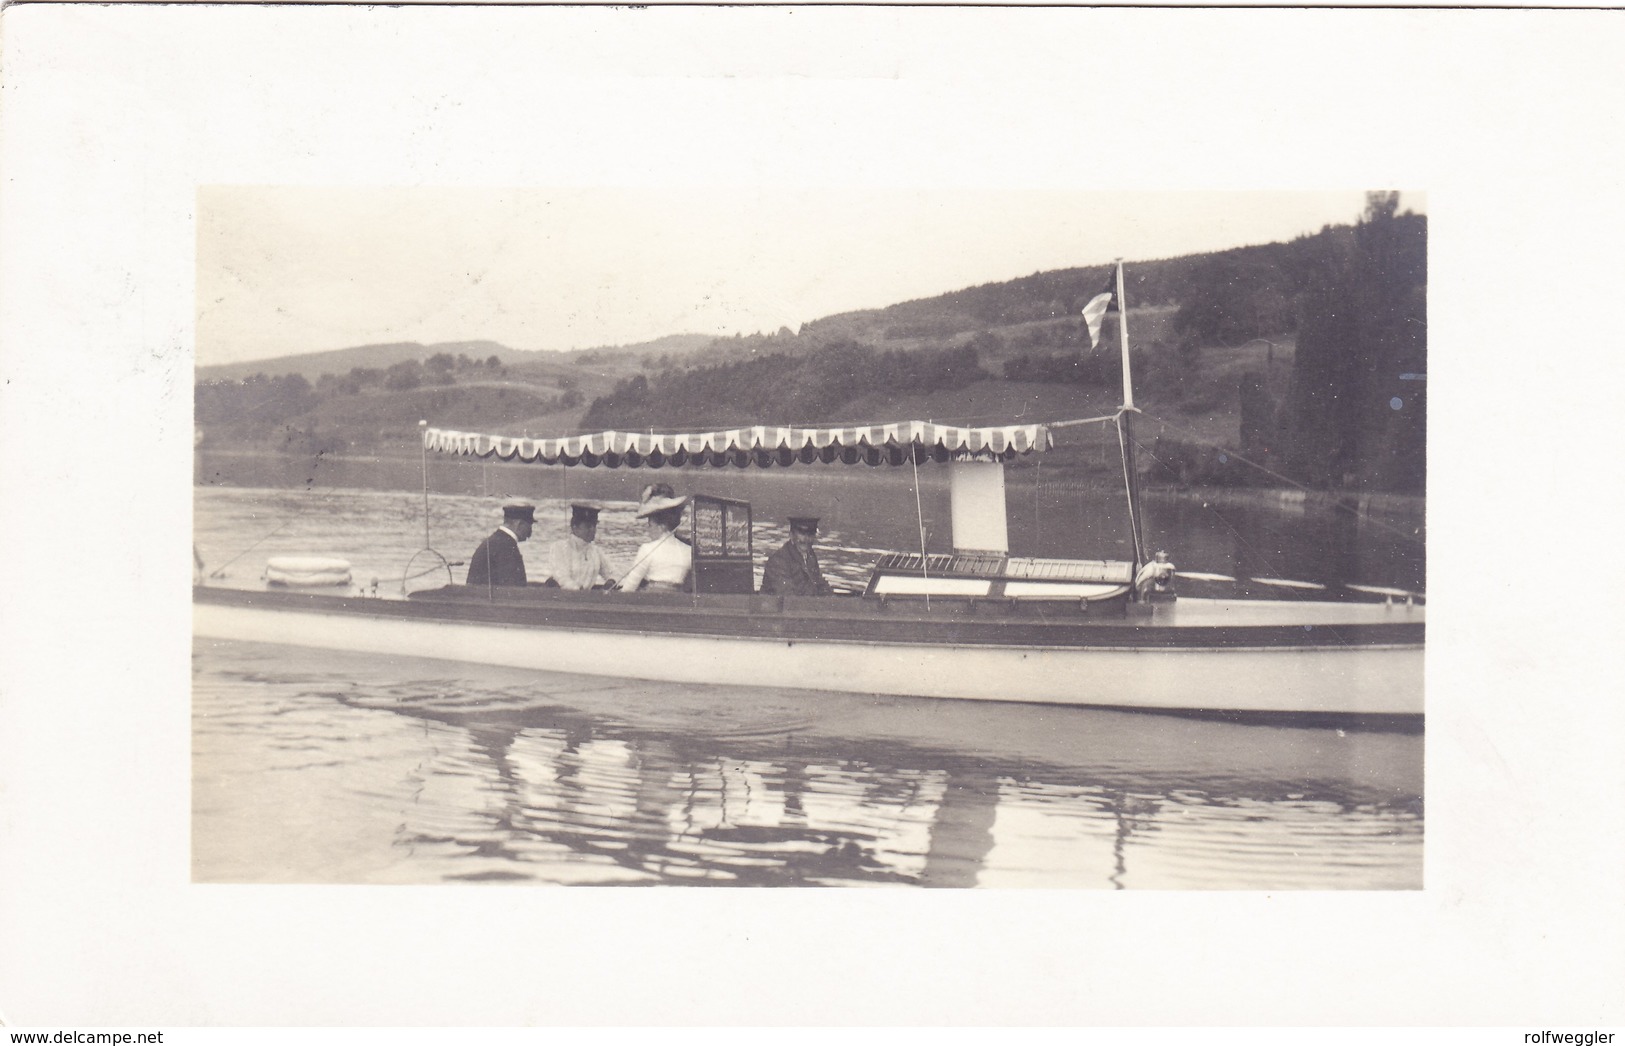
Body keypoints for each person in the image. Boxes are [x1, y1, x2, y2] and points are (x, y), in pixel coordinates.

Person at [616, 483, 692, 593]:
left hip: (650, 601)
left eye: (650, 525)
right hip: (677, 601)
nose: (648, 531)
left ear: (661, 527)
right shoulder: (688, 551)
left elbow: (629, 588)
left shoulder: (647, 549)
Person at [543, 502, 618, 591]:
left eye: (594, 526)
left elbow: (613, 572)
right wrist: (579, 591)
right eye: (588, 526)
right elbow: (562, 578)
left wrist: (611, 582)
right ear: (575, 528)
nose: (593, 530)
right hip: (563, 599)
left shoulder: (596, 551)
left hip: (586, 600)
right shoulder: (559, 548)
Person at [759, 515, 834, 596]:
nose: (806, 539)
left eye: (810, 534)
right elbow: (788, 595)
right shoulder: (778, 560)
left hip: (803, 605)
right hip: (782, 607)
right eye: (802, 533)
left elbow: (819, 583)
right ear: (791, 535)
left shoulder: (810, 556)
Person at [465, 502, 534, 587]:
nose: (530, 531)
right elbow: (513, 586)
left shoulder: (496, 541)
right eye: (529, 526)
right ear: (519, 524)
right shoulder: (506, 546)